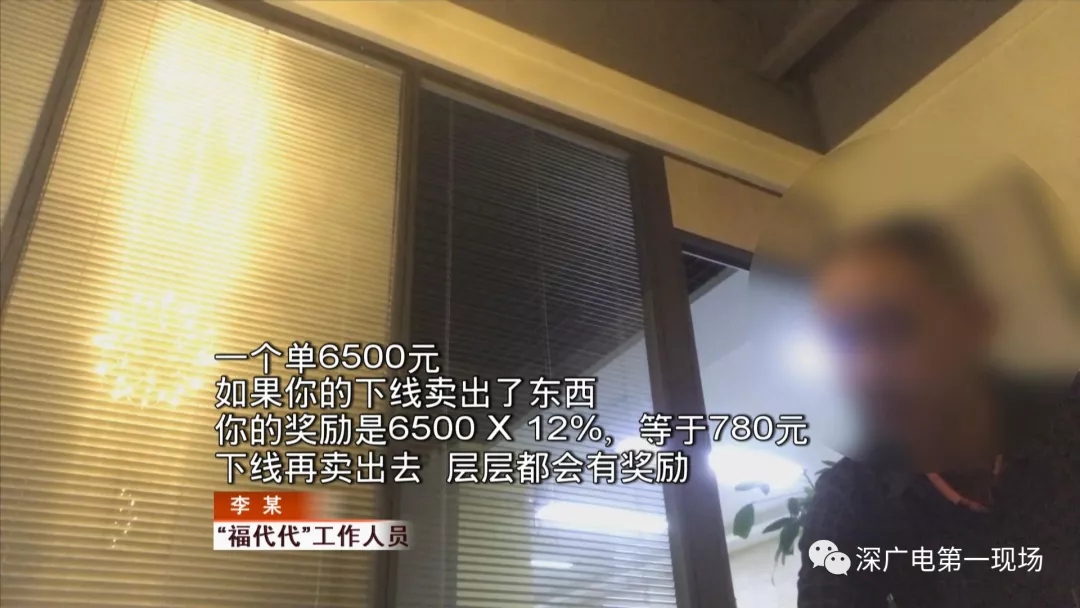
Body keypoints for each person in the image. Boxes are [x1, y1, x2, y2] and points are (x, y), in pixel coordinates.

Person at [797, 216, 1079, 607]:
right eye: (845, 340)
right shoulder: (852, 496)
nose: (868, 371)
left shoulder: (1064, 415)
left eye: (896, 326)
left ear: (977, 322)